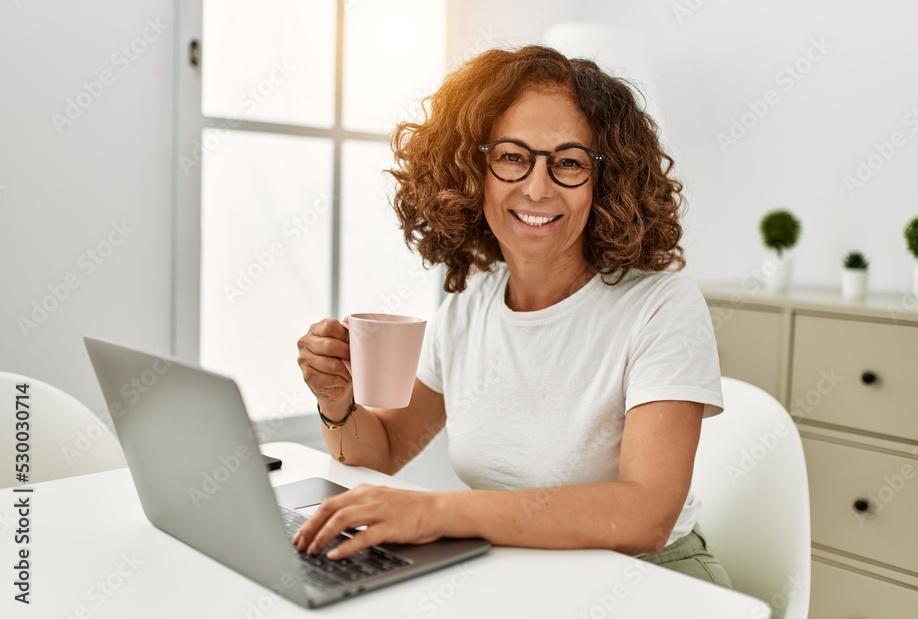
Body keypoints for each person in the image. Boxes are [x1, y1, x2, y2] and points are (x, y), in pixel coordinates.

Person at [293, 45, 731, 587]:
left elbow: (645, 516)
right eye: (511, 156)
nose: (538, 187)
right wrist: (337, 403)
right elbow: (381, 452)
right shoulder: (468, 311)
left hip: (651, 581)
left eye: (569, 162)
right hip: (523, 574)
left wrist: (436, 514)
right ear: (473, 172)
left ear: (605, 183)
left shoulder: (662, 307)